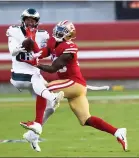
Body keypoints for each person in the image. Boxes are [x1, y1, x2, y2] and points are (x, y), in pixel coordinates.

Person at [20, 20, 128, 152]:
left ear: (68, 34)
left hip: (74, 83)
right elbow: (44, 52)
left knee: (44, 90)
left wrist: (35, 64)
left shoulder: (70, 47)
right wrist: (33, 52)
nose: (57, 32)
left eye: (61, 30)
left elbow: (53, 68)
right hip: (74, 87)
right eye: (58, 29)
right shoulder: (53, 42)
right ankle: (118, 132)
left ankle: (36, 124)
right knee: (86, 119)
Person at [6, 8, 65, 151]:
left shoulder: (42, 34)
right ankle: (51, 96)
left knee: (51, 108)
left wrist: (59, 57)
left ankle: (33, 134)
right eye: (28, 20)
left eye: (33, 20)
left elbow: (47, 51)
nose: (30, 22)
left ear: (37, 22)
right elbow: (12, 50)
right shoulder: (14, 31)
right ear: (23, 20)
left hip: (35, 77)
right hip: (18, 75)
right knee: (39, 80)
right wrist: (24, 45)